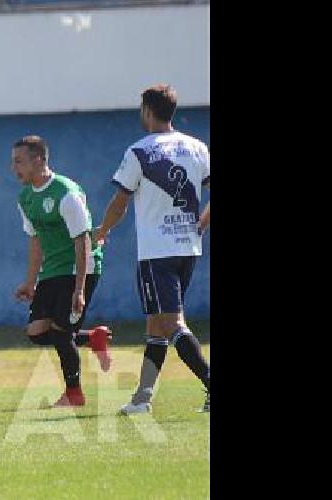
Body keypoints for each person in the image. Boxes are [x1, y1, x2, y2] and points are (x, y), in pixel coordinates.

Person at [92, 84, 211, 414]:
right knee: (156, 325)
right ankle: (142, 399)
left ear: (147, 110)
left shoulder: (139, 151)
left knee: (171, 323)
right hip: (188, 248)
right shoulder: (197, 148)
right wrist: (200, 225)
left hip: (157, 252)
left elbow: (120, 203)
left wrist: (102, 231)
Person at [11, 135, 112, 408]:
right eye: (13, 162)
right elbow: (35, 241)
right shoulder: (25, 198)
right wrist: (30, 282)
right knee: (36, 332)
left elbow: (83, 242)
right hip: (52, 270)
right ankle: (93, 338)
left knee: (60, 332)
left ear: (39, 160)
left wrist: (79, 290)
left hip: (82, 267)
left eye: (19, 161)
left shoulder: (65, 193)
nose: (14, 168)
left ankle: (74, 394)